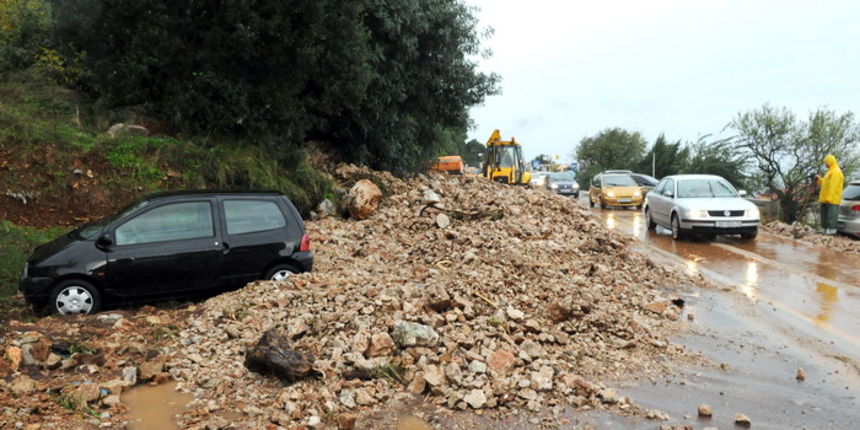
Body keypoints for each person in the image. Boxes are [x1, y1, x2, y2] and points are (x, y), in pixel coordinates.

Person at [816, 154, 844, 235]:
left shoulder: (836, 172)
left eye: (826, 162)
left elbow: (833, 186)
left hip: (832, 199)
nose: (825, 164)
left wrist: (829, 198)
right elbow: (825, 184)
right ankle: (824, 228)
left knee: (831, 215)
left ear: (830, 162)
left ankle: (831, 230)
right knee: (824, 215)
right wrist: (819, 179)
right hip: (825, 198)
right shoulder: (830, 172)